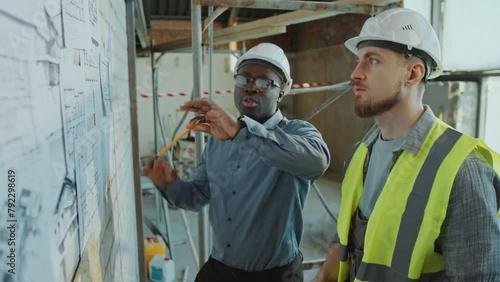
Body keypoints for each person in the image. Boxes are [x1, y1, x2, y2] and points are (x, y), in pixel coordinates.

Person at [313, 7, 500, 282]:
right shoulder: (359, 154)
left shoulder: (462, 170)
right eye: (358, 60)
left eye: (372, 61)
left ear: (413, 74)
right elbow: (350, 234)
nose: (355, 73)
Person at [143, 42, 331, 282]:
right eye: (244, 79)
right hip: (220, 270)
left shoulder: (296, 133)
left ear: (282, 91)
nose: (251, 88)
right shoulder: (220, 140)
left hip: (273, 275)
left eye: (264, 82)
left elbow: (317, 161)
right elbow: (196, 197)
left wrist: (241, 132)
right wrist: (169, 182)